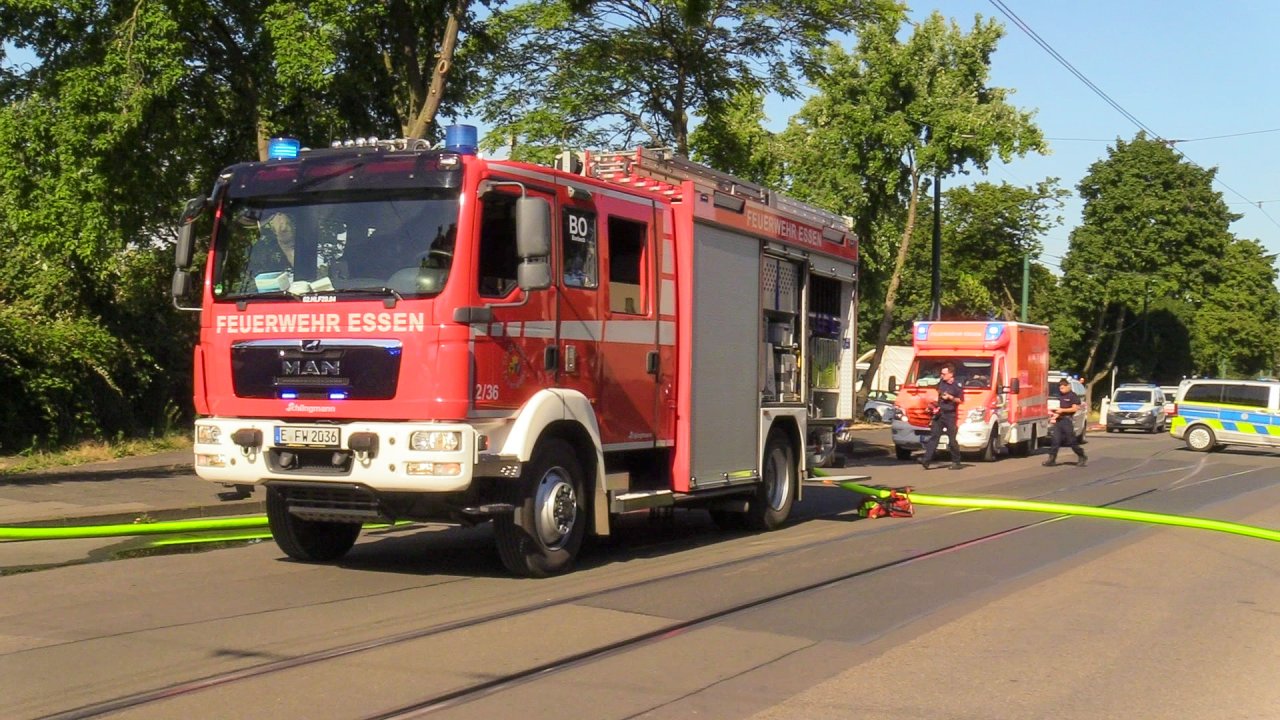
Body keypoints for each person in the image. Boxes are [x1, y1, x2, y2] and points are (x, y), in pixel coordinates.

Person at [920, 363, 964, 470]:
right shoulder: (941, 383)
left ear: (951, 374)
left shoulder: (957, 386)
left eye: (944, 374)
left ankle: (956, 462)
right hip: (939, 413)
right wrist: (931, 406)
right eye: (941, 373)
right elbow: (937, 397)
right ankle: (926, 460)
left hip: (950, 415)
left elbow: (960, 400)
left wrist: (950, 397)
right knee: (934, 437)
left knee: (952, 439)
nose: (942, 375)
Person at [1045, 377, 1088, 467]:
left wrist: (1062, 410)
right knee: (1055, 440)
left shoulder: (1073, 396)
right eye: (1060, 388)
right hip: (1059, 420)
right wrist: (1056, 414)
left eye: (1063, 387)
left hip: (1067, 420)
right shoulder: (1061, 396)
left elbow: (1074, 408)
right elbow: (1061, 410)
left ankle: (1081, 455)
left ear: (1068, 386)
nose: (1061, 389)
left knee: (1071, 441)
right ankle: (1051, 459)